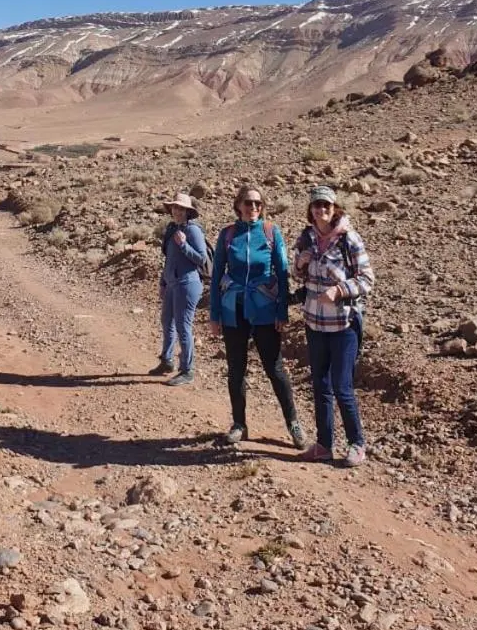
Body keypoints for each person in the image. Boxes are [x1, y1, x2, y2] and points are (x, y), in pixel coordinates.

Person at [209, 184, 306, 448]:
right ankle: (239, 424)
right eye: (248, 203)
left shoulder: (271, 232)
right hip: (234, 308)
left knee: (274, 368)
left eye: (258, 204)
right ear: (238, 205)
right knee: (236, 369)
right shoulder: (228, 234)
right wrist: (214, 315)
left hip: (265, 308)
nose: (253, 208)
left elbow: (282, 271)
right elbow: (217, 273)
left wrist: (282, 310)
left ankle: (293, 424)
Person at [293, 185, 375, 467]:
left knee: (342, 386)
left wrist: (340, 290)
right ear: (311, 210)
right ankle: (324, 445)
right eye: (317, 206)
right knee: (320, 385)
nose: (321, 210)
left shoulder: (348, 239)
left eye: (326, 205)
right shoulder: (307, 238)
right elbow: (297, 274)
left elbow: (367, 279)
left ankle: (357, 444)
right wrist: (300, 264)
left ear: (334, 208)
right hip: (315, 323)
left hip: (343, 325)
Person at [152, 191, 208, 386]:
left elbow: (201, 259)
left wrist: (184, 245)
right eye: (175, 207)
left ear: (188, 211)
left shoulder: (193, 231)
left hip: (188, 283)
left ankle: (187, 370)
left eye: (181, 208)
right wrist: (163, 282)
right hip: (172, 282)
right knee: (167, 321)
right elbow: (169, 259)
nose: (177, 211)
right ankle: (167, 361)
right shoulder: (171, 229)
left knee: (183, 326)